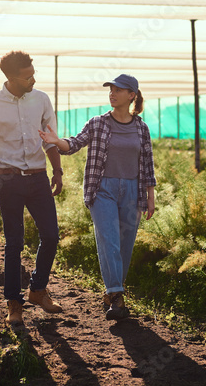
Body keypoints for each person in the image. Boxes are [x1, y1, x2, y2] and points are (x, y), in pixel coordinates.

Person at [39, 73, 155, 320]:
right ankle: (117, 297)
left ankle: (112, 293)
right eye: (110, 89)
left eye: (118, 90)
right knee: (109, 241)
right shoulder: (98, 123)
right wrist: (56, 142)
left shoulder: (141, 128)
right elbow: (75, 144)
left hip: (132, 191)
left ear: (132, 95)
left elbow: (147, 165)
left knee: (125, 247)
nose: (112, 93)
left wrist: (150, 196)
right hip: (102, 189)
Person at [0, 51, 64, 324]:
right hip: (9, 181)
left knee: (50, 236)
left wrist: (57, 170)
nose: (33, 79)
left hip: (38, 179)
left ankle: (37, 290)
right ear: (12, 78)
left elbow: (50, 140)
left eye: (33, 73)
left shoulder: (41, 100)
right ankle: (14, 303)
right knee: (14, 244)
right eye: (28, 76)